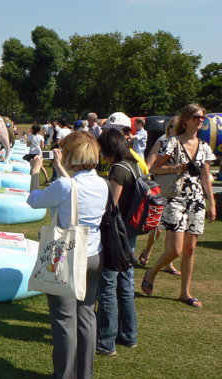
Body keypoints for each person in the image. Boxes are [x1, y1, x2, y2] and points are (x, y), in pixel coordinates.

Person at [27, 131, 107, 379]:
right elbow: (72, 190)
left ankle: (64, 375)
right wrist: (60, 168)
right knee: (86, 316)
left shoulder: (64, 185)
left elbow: (34, 200)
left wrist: (34, 171)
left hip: (67, 257)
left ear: (73, 153)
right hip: (94, 255)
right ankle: (85, 374)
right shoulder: (102, 183)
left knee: (64, 320)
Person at [142, 103, 216, 308]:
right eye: (196, 117)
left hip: (197, 201)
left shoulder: (204, 146)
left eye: (202, 118)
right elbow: (157, 167)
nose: (200, 121)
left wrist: (212, 203)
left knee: (190, 249)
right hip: (175, 198)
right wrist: (178, 168)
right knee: (175, 249)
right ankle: (152, 272)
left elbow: (206, 176)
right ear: (185, 119)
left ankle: (185, 292)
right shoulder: (172, 142)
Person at [95, 128, 140, 356]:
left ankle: (105, 342)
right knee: (125, 284)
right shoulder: (134, 164)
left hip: (116, 233)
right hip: (129, 232)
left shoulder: (118, 170)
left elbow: (110, 205)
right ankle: (128, 335)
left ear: (110, 148)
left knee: (107, 286)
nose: (102, 155)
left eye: (103, 150)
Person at [138, 117, 181, 275]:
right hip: (162, 189)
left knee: (174, 228)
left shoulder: (185, 144)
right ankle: (147, 251)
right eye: (170, 127)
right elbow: (150, 164)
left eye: (176, 127)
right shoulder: (162, 141)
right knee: (159, 226)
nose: (172, 130)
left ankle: (168, 263)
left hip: (178, 191)